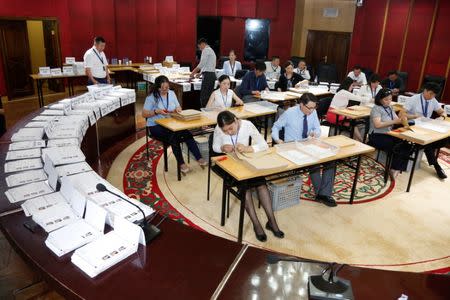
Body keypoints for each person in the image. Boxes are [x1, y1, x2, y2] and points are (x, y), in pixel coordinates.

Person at [213, 111, 284, 242]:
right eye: (225, 131)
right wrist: (223, 147)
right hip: (229, 165)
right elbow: (215, 147)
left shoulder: (247, 125)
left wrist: (248, 149)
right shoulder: (219, 128)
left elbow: (263, 145)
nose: (229, 132)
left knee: (261, 184)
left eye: (231, 128)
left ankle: (272, 222)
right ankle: (256, 224)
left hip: (246, 160)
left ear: (235, 120)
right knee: (244, 187)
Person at [272, 93, 338, 207]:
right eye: (309, 108)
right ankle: (322, 194)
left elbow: (317, 128)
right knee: (314, 165)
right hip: (293, 148)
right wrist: (278, 140)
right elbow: (276, 127)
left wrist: (315, 133)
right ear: (301, 104)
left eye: (314, 107)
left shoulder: (312, 112)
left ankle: (323, 194)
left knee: (331, 161)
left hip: (308, 145)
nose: (312, 111)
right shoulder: (290, 113)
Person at [142, 75, 207, 174]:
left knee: (187, 134)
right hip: (155, 125)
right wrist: (156, 111)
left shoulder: (171, 93)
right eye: (162, 88)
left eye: (167, 87)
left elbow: (178, 107)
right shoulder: (151, 97)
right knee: (173, 136)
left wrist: (178, 109)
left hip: (171, 122)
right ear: (157, 87)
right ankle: (181, 164)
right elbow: (144, 114)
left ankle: (199, 158)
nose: (165, 90)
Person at [404, 82, 447, 179]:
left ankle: (428, 151)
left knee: (441, 138)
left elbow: (441, 111)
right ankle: (437, 166)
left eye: (434, 95)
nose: (432, 96)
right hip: (413, 125)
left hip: (426, 125)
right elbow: (401, 115)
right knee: (427, 143)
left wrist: (443, 116)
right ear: (425, 90)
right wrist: (414, 116)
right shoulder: (413, 99)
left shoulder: (433, 100)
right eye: (431, 94)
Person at [368, 88, 412, 179]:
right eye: (386, 99)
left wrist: (404, 120)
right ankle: (393, 168)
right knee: (397, 145)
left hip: (389, 133)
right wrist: (393, 122)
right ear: (380, 99)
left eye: (390, 99)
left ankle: (395, 168)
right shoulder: (376, 109)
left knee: (407, 145)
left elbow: (396, 120)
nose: (389, 101)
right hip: (376, 135)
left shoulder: (390, 107)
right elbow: (378, 125)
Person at [326, 77, 370, 141]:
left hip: (337, 112)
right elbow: (360, 99)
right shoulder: (344, 92)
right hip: (334, 115)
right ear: (348, 85)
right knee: (353, 122)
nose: (353, 87)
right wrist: (370, 99)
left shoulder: (342, 92)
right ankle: (362, 140)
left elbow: (342, 106)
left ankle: (358, 140)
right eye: (352, 85)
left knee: (356, 120)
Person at [191, 38, 217, 107]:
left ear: (203, 44)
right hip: (211, 75)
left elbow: (201, 64)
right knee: (208, 96)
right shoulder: (210, 50)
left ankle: (204, 112)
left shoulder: (206, 50)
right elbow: (207, 64)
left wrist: (193, 72)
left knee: (204, 97)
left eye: (199, 47)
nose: (199, 49)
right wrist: (200, 73)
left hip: (208, 76)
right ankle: (207, 111)